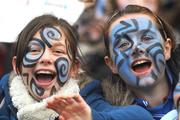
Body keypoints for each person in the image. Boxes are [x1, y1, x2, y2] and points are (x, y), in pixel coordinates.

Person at [47, 5, 180, 120]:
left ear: (166, 49)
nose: (136, 48)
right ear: (111, 64)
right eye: (123, 44)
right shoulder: (95, 101)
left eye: (146, 38)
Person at [0, 14, 80, 120]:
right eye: (34, 50)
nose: (45, 58)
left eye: (58, 51)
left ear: (74, 68)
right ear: (17, 66)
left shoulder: (90, 101)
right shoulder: (2, 100)